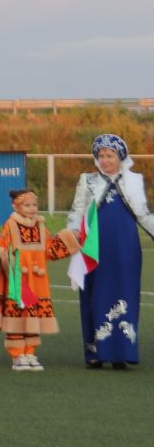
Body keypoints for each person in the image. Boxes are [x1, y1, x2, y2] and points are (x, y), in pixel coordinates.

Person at [64, 133, 154, 370]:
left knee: (125, 292)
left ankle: (121, 353)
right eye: (101, 156)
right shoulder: (88, 180)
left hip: (125, 247)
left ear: (120, 157)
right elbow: (77, 210)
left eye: (110, 155)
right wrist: (72, 232)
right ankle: (95, 352)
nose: (105, 160)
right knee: (95, 294)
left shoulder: (134, 180)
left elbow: (143, 214)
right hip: (94, 247)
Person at [0, 187, 74, 371]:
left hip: (38, 281)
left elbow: (50, 249)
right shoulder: (11, 225)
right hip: (17, 279)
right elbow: (2, 249)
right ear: (16, 207)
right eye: (27, 205)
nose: (32, 208)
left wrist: (71, 238)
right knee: (17, 315)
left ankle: (30, 352)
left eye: (34, 205)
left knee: (34, 316)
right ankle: (17, 355)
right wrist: (10, 266)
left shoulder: (41, 226)